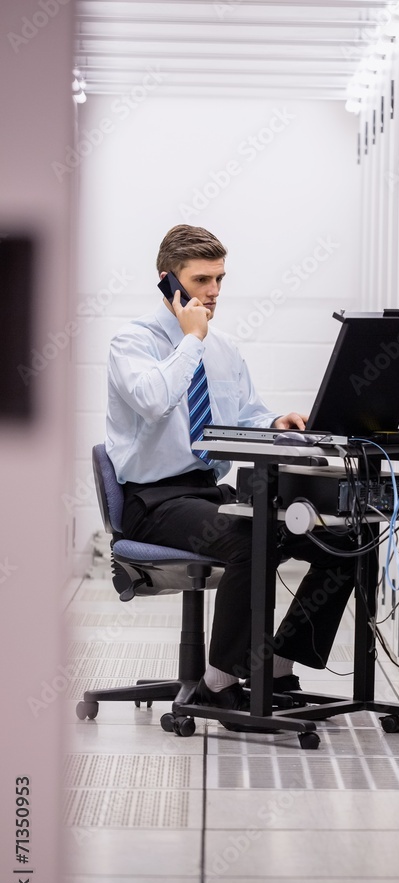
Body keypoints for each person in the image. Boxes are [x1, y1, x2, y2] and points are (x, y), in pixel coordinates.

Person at [106, 224, 355, 727]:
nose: (214, 292)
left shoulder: (222, 349)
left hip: (206, 492)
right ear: (168, 281)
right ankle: (217, 687)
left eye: (220, 279)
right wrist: (191, 340)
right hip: (153, 501)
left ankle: (281, 667)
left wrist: (274, 422)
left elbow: (244, 415)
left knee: (341, 539)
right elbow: (154, 400)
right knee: (250, 539)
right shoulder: (131, 343)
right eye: (201, 281)